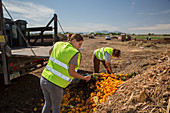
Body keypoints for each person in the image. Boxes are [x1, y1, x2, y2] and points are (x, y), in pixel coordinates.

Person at [40, 34, 91, 113]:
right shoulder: (74, 53)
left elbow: (50, 52)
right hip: (55, 84)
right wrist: (84, 78)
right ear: (74, 41)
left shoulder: (58, 44)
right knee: (56, 108)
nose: (80, 47)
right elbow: (72, 73)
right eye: (79, 44)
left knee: (47, 103)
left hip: (44, 78)